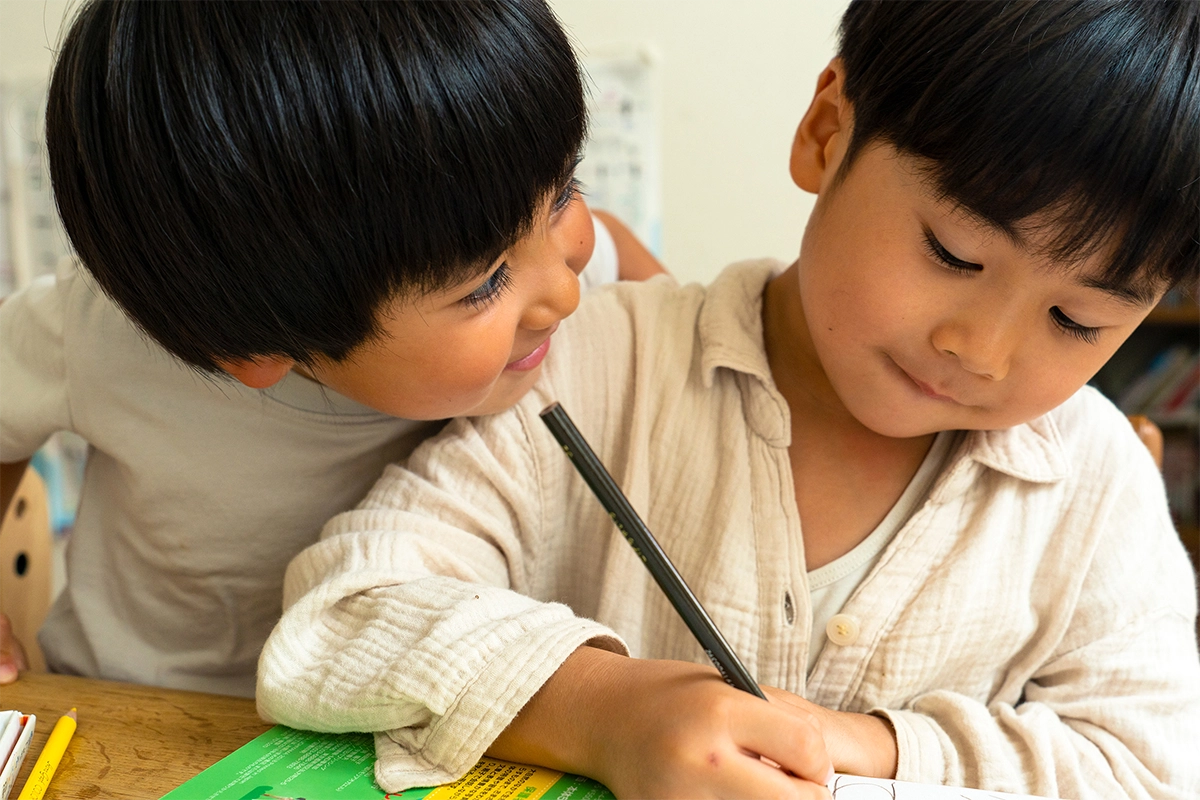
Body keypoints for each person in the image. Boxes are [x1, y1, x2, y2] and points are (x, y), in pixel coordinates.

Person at [257, 0, 1200, 798]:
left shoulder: (1097, 482)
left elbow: (1151, 766)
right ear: (827, 131)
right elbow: (343, 616)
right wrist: (601, 714)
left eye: (1077, 320)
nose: (981, 352)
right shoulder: (590, 370)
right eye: (953, 255)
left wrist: (866, 748)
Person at [0, 0, 664, 696]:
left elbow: (664, 323)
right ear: (255, 344)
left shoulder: (542, 268)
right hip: (157, 720)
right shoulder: (105, 340)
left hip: (431, 716)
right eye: (487, 281)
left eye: (563, 193)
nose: (564, 292)